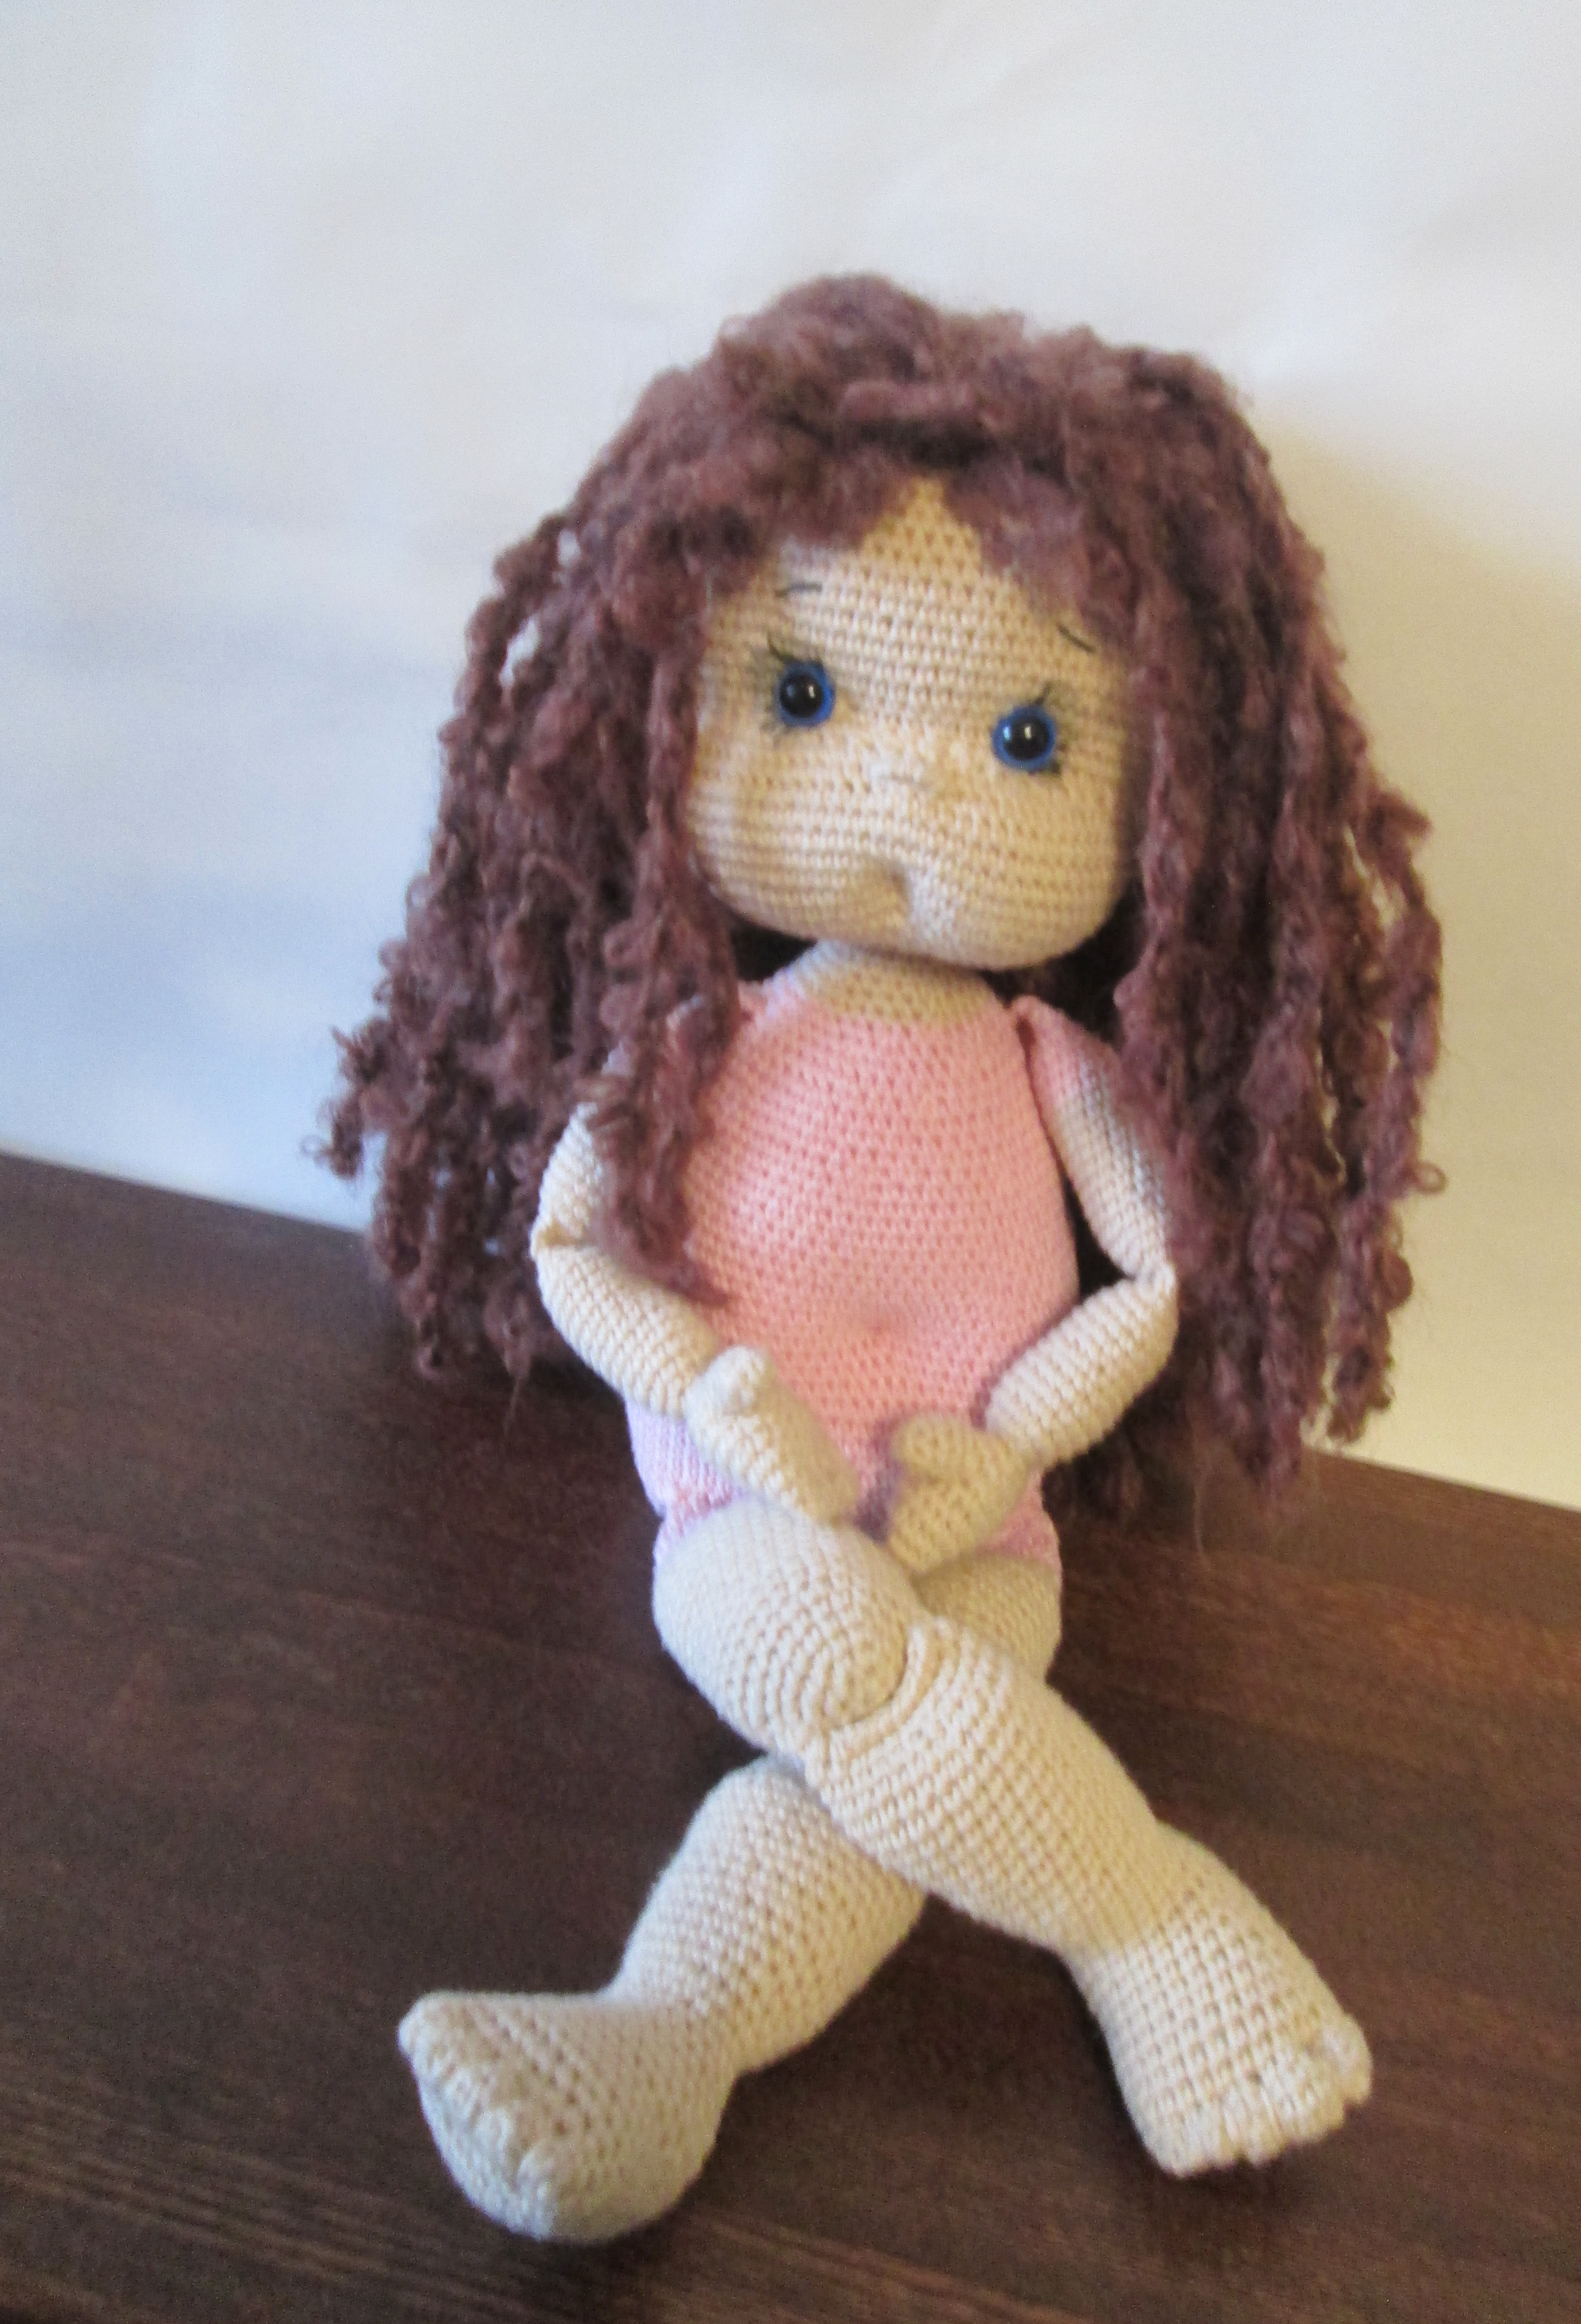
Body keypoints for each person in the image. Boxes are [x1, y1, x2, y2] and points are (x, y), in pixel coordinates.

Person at [326, 277, 1441, 2240]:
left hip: (987, 1527)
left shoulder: (1047, 1064)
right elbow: (574, 1238)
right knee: (831, 1658)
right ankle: (1150, 1917)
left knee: (889, 1754)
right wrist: (703, 1383)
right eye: (805, 697)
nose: (912, 791)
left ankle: (661, 2047)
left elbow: (1152, 1285)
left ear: (1155, 807)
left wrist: (1006, 1451)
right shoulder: (710, 1042)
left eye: (1025, 736)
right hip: (741, 1509)